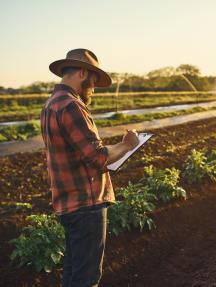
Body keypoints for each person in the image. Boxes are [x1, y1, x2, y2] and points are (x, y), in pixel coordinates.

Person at [41, 48, 139, 287]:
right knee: (87, 279)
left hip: (68, 203)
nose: (93, 89)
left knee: (74, 275)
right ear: (83, 73)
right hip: (86, 204)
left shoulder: (50, 105)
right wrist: (127, 145)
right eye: (93, 82)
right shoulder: (71, 106)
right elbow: (97, 158)